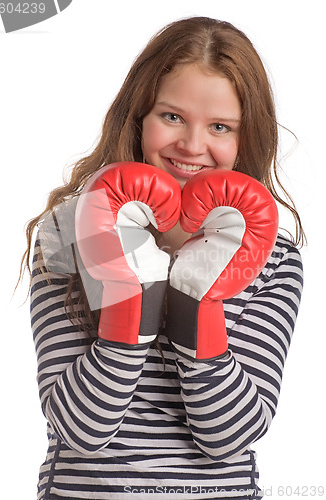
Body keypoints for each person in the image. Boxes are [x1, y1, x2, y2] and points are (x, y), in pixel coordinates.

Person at [21, 16, 304, 500]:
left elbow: (230, 436)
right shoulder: (66, 233)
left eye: (219, 126)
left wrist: (196, 307)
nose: (192, 146)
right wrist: (132, 304)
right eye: (171, 117)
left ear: (245, 138)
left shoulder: (274, 257)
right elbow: (80, 430)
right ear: (138, 118)